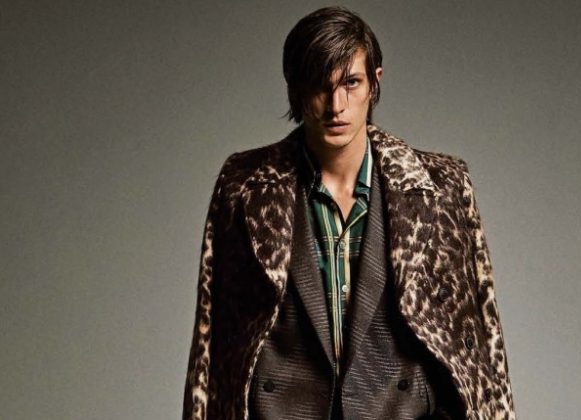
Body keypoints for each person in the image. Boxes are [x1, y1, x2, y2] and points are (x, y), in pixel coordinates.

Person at [182, 6, 515, 420]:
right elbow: (212, 340)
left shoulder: (441, 187)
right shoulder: (245, 186)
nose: (335, 105)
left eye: (350, 83)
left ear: (375, 83)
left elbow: (480, 340)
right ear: (295, 89)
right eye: (319, 86)